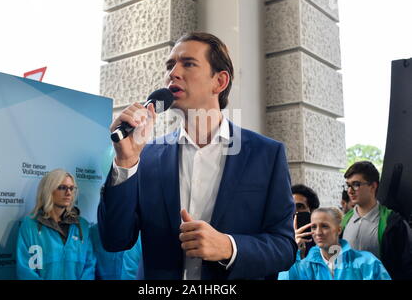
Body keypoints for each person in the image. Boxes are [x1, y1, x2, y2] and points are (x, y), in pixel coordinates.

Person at [97, 32, 297, 280]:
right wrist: (125, 162)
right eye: (170, 65)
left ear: (220, 81)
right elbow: (114, 240)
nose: (173, 73)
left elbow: (285, 247)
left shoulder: (266, 154)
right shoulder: (145, 156)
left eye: (188, 63)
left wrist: (228, 247)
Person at [16, 169, 96, 280]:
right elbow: (25, 270)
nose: (68, 193)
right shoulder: (30, 225)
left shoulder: (82, 226)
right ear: (48, 190)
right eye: (62, 188)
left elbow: (89, 267)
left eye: (71, 188)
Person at [341, 161, 412, 280]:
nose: (350, 190)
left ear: (373, 186)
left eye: (356, 184)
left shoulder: (393, 223)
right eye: (348, 185)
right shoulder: (344, 221)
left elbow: (406, 266)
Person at [278, 207, 391, 280]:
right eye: (313, 227)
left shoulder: (367, 262)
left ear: (338, 229)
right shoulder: (304, 266)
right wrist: (292, 251)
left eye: (325, 226)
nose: (318, 232)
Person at [291, 184, 320, 259]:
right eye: (290, 206)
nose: (294, 211)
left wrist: (301, 255)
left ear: (312, 210)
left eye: (299, 207)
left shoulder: (320, 237)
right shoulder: (280, 236)